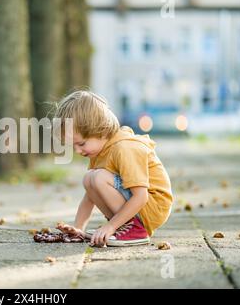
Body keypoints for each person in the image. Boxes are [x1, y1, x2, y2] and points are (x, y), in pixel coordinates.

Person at [54, 90, 173, 247]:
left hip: (152, 205)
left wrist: (110, 226)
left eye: (81, 144)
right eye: (73, 146)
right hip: (138, 205)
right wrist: (78, 228)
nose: (77, 151)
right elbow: (90, 195)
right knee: (89, 178)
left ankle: (135, 230)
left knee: (97, 177)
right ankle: (124, 226)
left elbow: (141, 196)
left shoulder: (124, 148)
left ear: (101, 131)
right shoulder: (99, 150)